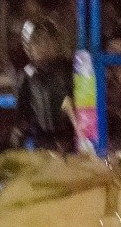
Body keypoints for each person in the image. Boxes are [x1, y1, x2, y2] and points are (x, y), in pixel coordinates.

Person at [13, 19, 79, 153]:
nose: (44, 46)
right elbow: (23, 111)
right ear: (28, 48)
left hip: (71, 140)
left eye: (48, 40)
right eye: (37, 42)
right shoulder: (27, 75)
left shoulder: (69, 69)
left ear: (56, 43)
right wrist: (20, 131)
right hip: (41, 141)